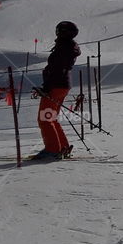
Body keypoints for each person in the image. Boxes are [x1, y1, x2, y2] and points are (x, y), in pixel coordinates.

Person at [33, 21, 81, 159]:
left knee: (45, 119)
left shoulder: (63, 48)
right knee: (51, 118)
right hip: (62, 85)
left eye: (59, 30)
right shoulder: (68, 47)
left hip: (56, 85)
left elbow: (56, 69)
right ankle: (62, 147)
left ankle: (53, 150)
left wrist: (47, 87)